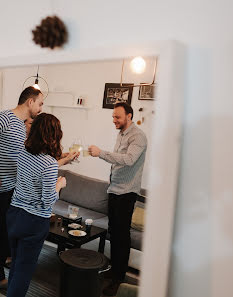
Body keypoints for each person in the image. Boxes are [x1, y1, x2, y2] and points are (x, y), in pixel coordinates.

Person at [0, 86, 76, 297]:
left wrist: (62, 158)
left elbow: (35, 163)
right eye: (40, 103)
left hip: (11, 195)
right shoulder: (4, 119)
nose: (40, 108)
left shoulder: (23, 127)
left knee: (1, 240)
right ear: (30, 101)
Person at [88, 102, 147, 296]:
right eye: (113, 117)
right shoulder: (121, 134)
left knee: (122, 236)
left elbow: (129, 160)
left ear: (129, 116)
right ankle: (114, 270)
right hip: (114, 190)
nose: (114, 120)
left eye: (118, 117)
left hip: (127, 193)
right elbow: (119, 160)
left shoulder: (138, 136)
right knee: (114, 233)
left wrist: (101, 154)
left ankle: (119, 279)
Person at [6, 113, 67, 297]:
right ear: (53, 134)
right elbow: (48, 200)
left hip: (14, 214)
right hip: (33, 221)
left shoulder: (23, 153)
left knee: (16, 264)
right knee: (24, 271)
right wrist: (59, 185)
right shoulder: (49, 164)